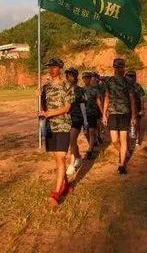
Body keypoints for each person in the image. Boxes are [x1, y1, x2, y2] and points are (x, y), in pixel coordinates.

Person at [40, 58, 75, 205]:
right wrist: (39, 95)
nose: (51, 69)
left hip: (63, 126)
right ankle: (66, 185)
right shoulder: (46, 87)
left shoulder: (67, 86)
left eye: (54, 67)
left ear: (60, 68)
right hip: (50, 127)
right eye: (49, 67)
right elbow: (43, 107)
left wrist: (49, 114)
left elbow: (67, 108)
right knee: (57, 160)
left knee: (61, 159)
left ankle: (56, 193)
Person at [103, 58, 137, 175]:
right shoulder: (109, 81)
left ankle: (122, 164)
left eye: (120, 66)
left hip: (125, 113)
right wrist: (104, 114)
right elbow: (107, 97)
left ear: (124, 67)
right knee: (114, 140)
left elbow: (132, 99)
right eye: (116, 66)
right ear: (114, 67)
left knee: (123, 139)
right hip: (112, 113)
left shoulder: (128, 82)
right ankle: (124, 152)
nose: (118, 69)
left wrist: (133, 116)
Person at [65, 67, 84, 176]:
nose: (68, 77)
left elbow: (82, 106)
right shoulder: (64, 89)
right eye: (67, 75)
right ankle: (78, 158)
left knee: (72, 140)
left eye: (71, 75)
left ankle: (72, 165)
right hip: (66, 119)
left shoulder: (80, 90)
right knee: (72, 142)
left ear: (75, 76)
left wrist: (85, 121)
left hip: (77, 118)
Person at [81, 71, 102, 159]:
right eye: (84, 78)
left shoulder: (95, 89)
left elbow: (98, 100)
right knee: (86, 132)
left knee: (91, 131)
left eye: (87, 77)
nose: (85, 79)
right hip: (84, 113)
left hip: (93, 113)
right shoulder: (81, 90)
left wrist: (101, 111)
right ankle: (92, 144)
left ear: (90, 79)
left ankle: (90, 150)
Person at [125, 70, 145, 148]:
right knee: (127, 125)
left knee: (137, 124)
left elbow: (142, 98)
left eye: (133, 76)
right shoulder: (124, 86)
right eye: (129, 76)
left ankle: (137, 138)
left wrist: (142, 109)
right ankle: (129, 141)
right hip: (126, 108)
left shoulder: (137, 86)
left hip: (137, 108)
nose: (131, 78)